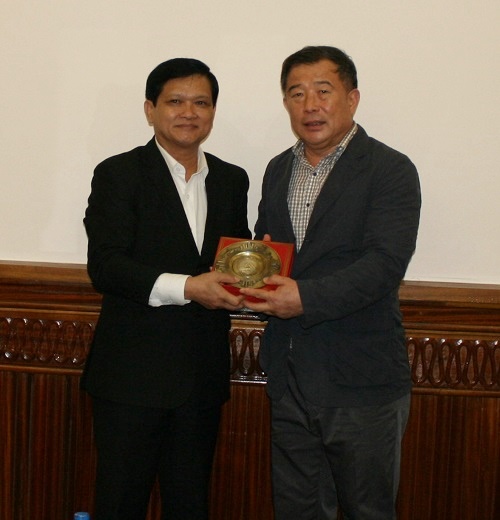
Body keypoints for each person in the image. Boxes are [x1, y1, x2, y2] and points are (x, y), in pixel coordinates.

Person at [240, 46, 421, 519]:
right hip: (290, 375)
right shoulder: (279, 169)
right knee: (297, 511)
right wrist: (247, 278)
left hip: (361, 379)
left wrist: (304, 298)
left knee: (368, 510)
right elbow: (271, 254)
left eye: (324, 91)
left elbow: (385, 264)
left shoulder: (390, 169)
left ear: (352, 98)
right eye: (296, 94)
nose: (310, 105)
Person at [82, 57, 251, 520]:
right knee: (119, 503)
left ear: (213, 113)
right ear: (149, 109)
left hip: (201, 377)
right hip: (130, 379)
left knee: (191, 505)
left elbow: (235, 258)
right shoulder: (119, 173)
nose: (188, 112)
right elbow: (107, 267)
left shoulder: (233, 179)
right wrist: (189, 288)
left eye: (201, 102)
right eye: (175, 101)